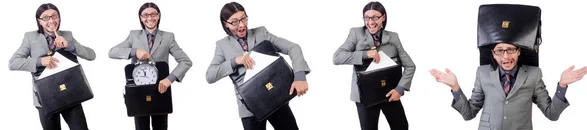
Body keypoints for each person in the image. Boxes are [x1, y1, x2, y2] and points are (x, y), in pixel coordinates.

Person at [429, 4, 587, 130]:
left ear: (519, 51)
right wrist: (455, 87)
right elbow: (469, 114)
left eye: (511, 49)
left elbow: (552, 114)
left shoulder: (534, 74)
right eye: (499, 51)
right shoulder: (483, 72)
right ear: (492, 53)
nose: (506, 56)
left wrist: (562, 85)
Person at [206, 2, 311, 130]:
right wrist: (235, 61)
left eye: (243, 18)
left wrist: (299, 76)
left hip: (276, 98)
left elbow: (293, 48)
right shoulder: (222, 46)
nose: (241, 25)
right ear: (225, 24)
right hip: (250, 109)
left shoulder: (261, 33)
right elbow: (210, 75)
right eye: (234, 22)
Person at [8, 3, 96, 130]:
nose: (51, 21)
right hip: (45, 98)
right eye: (45, 18)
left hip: (71, 94)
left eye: (54, 16)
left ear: (59, 18)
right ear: (39, 21)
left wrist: (69, 45)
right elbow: (13, 63)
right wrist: (39, 61)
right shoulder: (30, 37)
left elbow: (91, 55)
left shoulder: (67, 35)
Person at [108, 2, 192, 130]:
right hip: (138, 90)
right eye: (145, 15)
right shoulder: (134, 35)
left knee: (161, 126)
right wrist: (134, 51)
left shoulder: (168, 37)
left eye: (153, 14)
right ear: (141, 18)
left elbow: (186, 61)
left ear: (158, 16)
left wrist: (170, 79)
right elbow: (112, 52)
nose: (150, 18)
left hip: (160, 88)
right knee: (141, 127)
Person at [332, 1, 416, 130]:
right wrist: (365, 54)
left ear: (383, 17)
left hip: (389, 93)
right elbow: (337, 58)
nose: (370, 22)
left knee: (401, 126)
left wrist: (400, 89)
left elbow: (410, 66)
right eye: (367, 17)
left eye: (375, 17)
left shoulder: (393, 37)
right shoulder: (356, 33)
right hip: (365, 96)